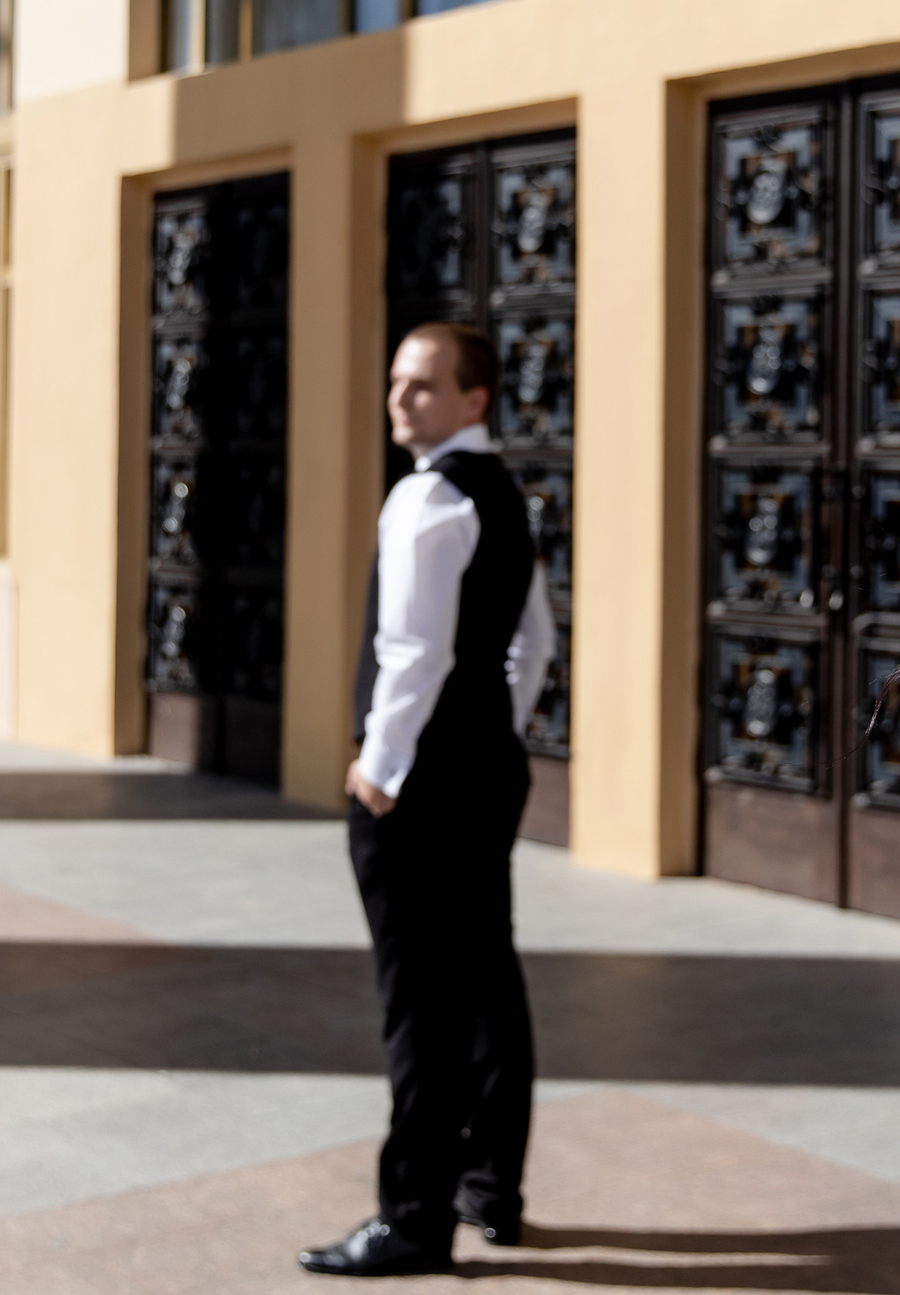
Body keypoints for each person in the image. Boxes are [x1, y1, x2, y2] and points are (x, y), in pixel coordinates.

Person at [300, 321, 556, 1278]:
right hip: (488, 765)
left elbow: (412, 653)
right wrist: (497, 727)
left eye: (421, 385)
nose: (400, 399)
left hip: (420, 784)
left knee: (420, 1002)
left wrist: (380, 766)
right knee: (486, 976)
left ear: (473, 399)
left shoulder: (427, 497)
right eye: (398, 383)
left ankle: (411, 1217)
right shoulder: (505, 494)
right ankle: (491, 1188)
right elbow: (529, 644)